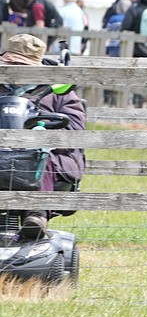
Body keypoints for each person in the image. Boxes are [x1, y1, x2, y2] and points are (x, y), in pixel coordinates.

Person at [1, 34, 86, 240]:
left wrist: (42, 133)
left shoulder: (60, 91)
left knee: (41, 156)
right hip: (2, 151)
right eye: (11, 64)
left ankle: (36, 215)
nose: (16, 69)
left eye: (23, 65)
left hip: (50, 156)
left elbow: (74, 130)